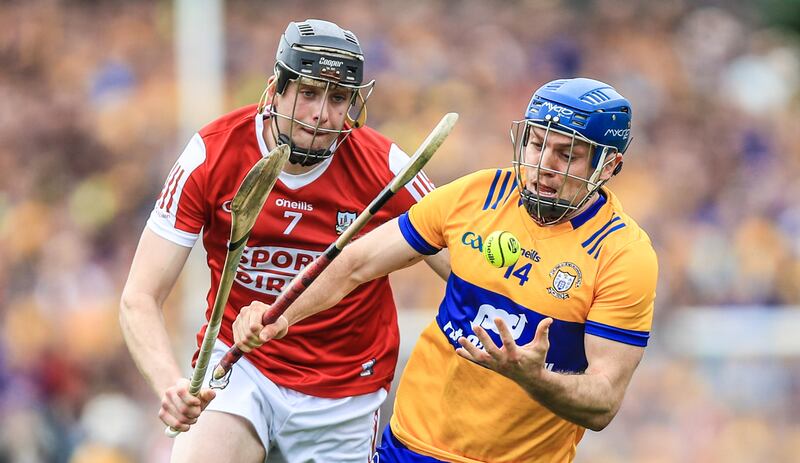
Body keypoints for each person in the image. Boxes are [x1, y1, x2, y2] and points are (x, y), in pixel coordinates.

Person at [234, 77, 658, 462]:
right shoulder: (478, 195)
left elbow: (603, 402)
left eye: (567, 155)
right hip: (408, 448)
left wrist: (534, 377)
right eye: (535, 143)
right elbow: (355, 263)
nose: (542, 164)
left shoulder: (623, 256)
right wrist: (278, 314)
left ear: (607, 166)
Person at [119, 19, 450, 463]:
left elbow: (462, 267)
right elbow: (139, 296)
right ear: (276, 88)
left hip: (344, 387)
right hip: (241, 367)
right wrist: (170, 385)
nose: (321, 113)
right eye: (309, 93)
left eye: (338, 99)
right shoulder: (211, 154)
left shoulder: (386, 166)